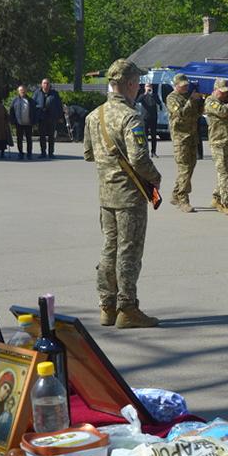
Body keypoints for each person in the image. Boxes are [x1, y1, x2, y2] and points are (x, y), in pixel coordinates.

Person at [82, 59, 162, 328]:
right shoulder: (130, 116)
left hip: (106, 196)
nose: (139, 88)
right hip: (130, 196)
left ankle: (107, 306)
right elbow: (139, 158)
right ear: (128, 84)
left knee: (109, 249)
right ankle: (127, 308)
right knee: (129, 252)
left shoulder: (94, 116)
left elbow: (88, 154)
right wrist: (155, 177)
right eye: (137, 83)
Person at [203, 77, 228, 216]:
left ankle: (217, 197)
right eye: (222, 92)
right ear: (215, 90)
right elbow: (222, 111)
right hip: (218, 143)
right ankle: (227, 203)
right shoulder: (210, 101)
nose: (225, 94)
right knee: (224, 174)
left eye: (227, 92)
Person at [165, 73, 204, 213]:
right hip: (180, 138)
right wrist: (191, 100)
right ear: (176, 86)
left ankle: (176, 193)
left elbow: (199, 113)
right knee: (184, 168)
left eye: (186, 84)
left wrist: (200, 100)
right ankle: (183, 199)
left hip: (192, 136)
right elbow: (180, 113)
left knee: (190, 167)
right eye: (183, 85)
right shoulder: (172, 98)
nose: (186, 87)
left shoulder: (190, 95)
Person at [33, 78, 63, 159]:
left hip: (51, 117)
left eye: (47, 83)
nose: (46, 85)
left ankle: (51, 153)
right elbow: (33, 105)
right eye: (44, 83)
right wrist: (34, 117)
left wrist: (60, 116)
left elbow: (59, 105)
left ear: (50, 85)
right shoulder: (37, 93)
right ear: (41, 84)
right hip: (41, 118)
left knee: (51, 136)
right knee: (42, 136)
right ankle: (43, 152)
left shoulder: (54, 93)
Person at [9, 85, 37, 160]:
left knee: (29, 139)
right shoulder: (15, 100)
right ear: (18, 91)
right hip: (19, 123)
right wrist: (12, 121)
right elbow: (11, 111)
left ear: (26, 91)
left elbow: (34, 112)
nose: (22, 92)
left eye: (24, 90)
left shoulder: (31, 101)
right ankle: (20, 153)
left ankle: (29, 153)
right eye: (21, 90)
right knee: (19, 139)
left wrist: (34, 121)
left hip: (28, 123)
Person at [138, 83, 162, 157]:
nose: (148, 88)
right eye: (147, 86)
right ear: (145, 87)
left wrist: (152, 94)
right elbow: (138, 100)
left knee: (154, 136)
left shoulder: (154, 95)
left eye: (150, 86)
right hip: (145, 118)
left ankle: (153, 152)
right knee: (144, 136)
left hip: (153, 118)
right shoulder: (142, 96)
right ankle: (145, 152)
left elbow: (159, 103)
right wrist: (145, 93)